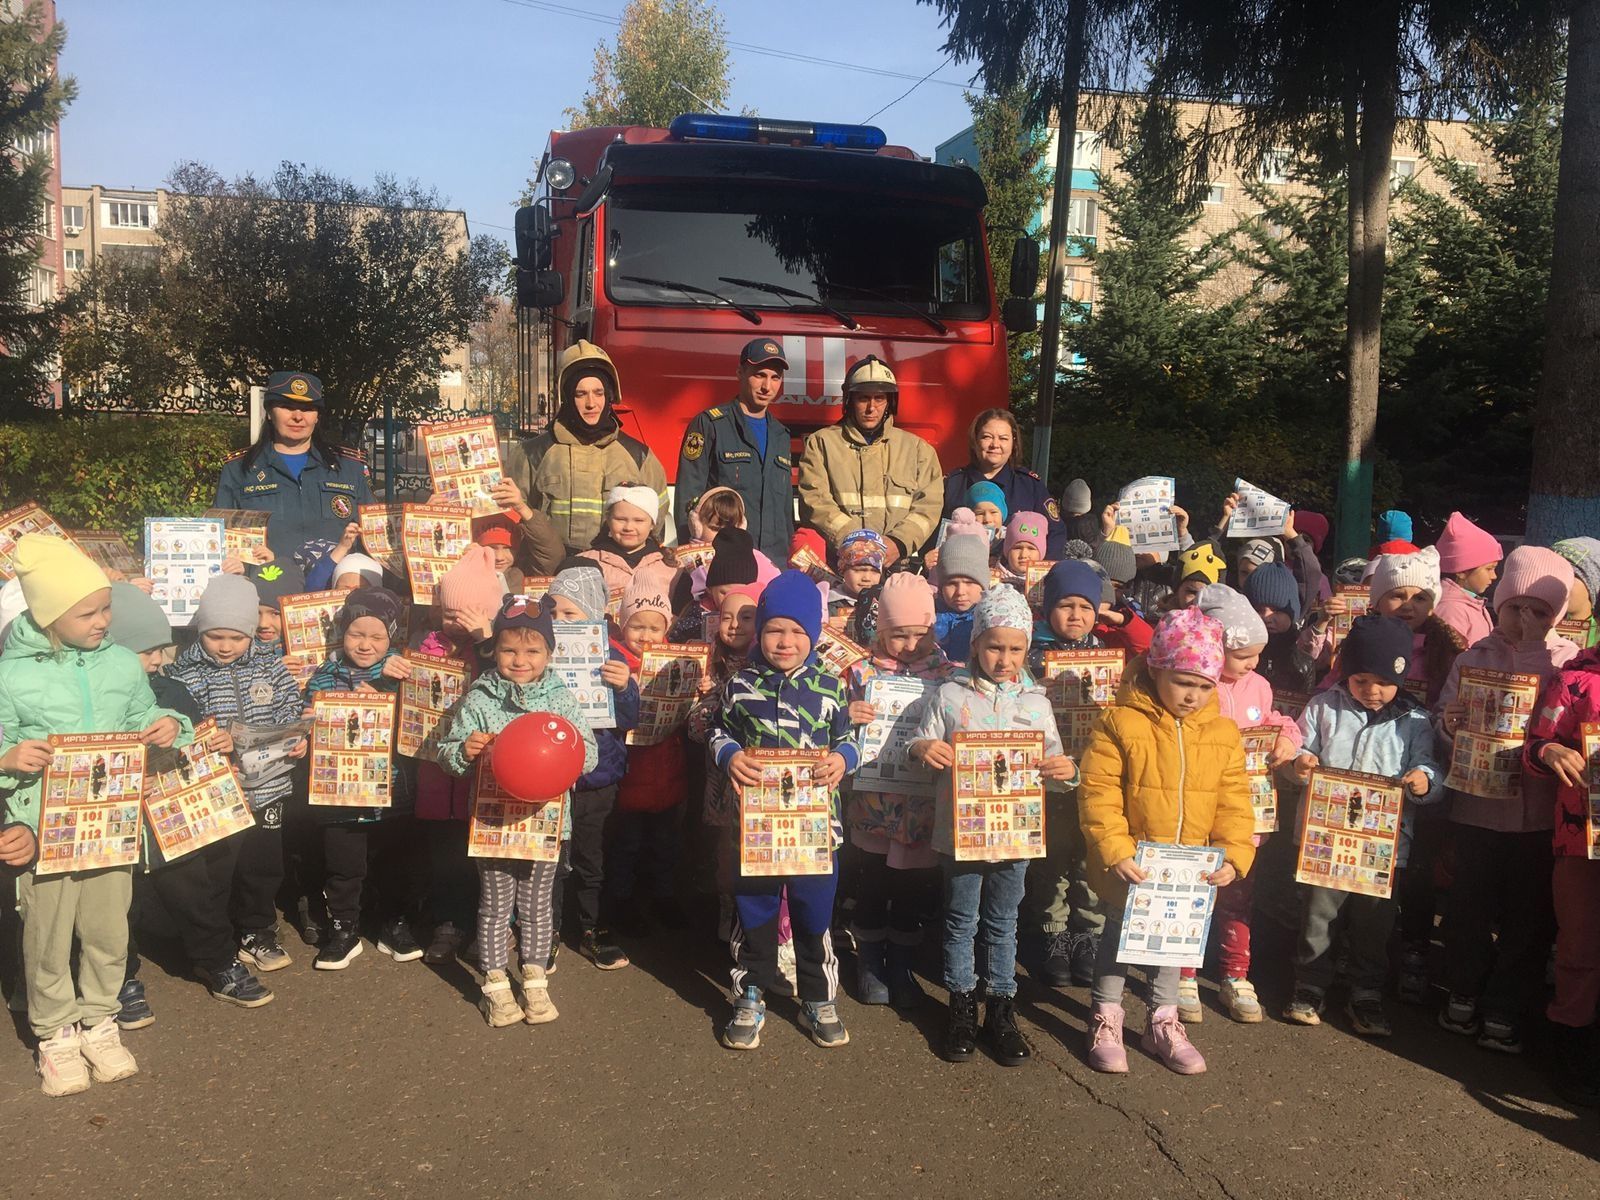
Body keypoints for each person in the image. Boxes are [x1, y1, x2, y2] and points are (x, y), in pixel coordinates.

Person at [0, 535, 191, 1097]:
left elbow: (146, 711)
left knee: (109, 928)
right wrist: (7, 758)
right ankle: (56, 1035)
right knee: (48, 934)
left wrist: (169, 723)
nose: (103, 620)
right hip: (44, 826)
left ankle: (100, 1022)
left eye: (106, 606)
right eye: (87, 612)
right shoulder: (10, 675)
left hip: (110, 821)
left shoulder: (120, 665)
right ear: (48, 614)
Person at [1078, 607, 1254, 1076]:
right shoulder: (1119, 723)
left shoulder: (1223, 733)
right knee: (1119, 938)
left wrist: (1235, 855)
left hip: (1190, 868)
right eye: (1182, 682)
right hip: (1134, 862)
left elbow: (1235, 800)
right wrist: (1115, 848)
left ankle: (1163, 1020)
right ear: (1156, 669)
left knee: (1173, 945)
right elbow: (1099, 792)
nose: (1192, 696)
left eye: (1203, 685)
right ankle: (1106, 1017)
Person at [911, 585, 1077, 1066]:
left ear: (1028, 648)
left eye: (1015, 648)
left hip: (1015, 834)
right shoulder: (948, 695)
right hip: (961, 834)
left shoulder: (1037, 703)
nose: (1004, 658)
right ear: (976, 644)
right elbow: (920, 744)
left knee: (1003, 923)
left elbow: (1054, 763)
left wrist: (1067, 771)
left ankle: (1001, 1009)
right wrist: (924, 750)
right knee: (962, 921)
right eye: (994, 646)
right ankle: (961, 1005)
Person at [1434, 547, 1579, 1053]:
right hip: (1476, 806)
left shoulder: (1567, 661)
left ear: (1556, 615)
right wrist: (1449, 725)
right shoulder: (1475, 656)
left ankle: (1504, 1005)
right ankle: (1463, 990)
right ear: (1499, 605)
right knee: (1469, 908)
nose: (1524, 619)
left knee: (1528, 917)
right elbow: (1443, 716)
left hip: (1540, 814)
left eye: (1539, 610)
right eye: (1515, 606)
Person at [111, 583, 278, 1019]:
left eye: (160, 649)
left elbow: (198, 733)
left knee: (194, 889)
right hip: (117, 820)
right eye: (144, 651)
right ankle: (120, 977)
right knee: (115, 904)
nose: (156, 660)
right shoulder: (96, 699)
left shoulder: (169, 689)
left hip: (173, 817)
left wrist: (216, 741)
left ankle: (218, 961)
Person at [710, 571, 858, 1051]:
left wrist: (842, 760)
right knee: (754, 914)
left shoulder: (833, 687)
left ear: (814, 636)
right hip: (755, 830)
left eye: (798, 631)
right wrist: (730, 754)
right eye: (775, 629)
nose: (785, 640)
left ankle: (818, 998)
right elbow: (717, 732)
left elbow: (850, 740)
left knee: (815, 918)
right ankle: (750, 993)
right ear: (760, 631)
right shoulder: (740, 685)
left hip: (817, 830)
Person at [438, 595, 598, 1027]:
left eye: (532, 650)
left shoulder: (561, 698)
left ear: (549, 652)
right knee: (494, 905)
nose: (520, 659)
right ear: (494, 649)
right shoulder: (480, 697)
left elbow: (591, 754)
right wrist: (465, 750)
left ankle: (535, 983)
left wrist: (566, 754)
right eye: (509, 649)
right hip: (493, 825)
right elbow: (448, 753)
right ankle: (494, 985)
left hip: (544, 827)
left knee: (536, 906)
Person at [1282, 615, 1442, 1037]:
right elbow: (1298, 746)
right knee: (1318, 916)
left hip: (1383, 847)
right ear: (1346, 674)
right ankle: (1310, 984)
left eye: (1383, 682)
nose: (1371, 691)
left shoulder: (1414, 720)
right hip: (1326, 839)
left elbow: (1429, 766)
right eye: (1360, 680)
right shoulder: (1324, 706)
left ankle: (1366, 992)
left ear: (1401, 676)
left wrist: (1423, 780)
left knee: (1375, 923)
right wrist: (1300, 763)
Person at [1175, 585, 1301, 1025]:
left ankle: (1235, 973)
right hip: (1197, 812)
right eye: (1243, 653)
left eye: (1257, 654)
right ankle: (1183, 974)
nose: (1253, 663)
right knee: (1193, 895)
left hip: (1244, 816)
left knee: (1237, 896)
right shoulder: (1196, 688)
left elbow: (1276, 721)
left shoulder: (1260, 686)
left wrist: (1287, 739)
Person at [168, 575, 305, 974]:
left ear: (250, 634)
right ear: (200, 631)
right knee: (219, 868)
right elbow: (182, 728)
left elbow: (290, 712)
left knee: (263, 865)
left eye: (236, 638)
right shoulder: (185, 674)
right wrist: (212, 739)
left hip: (270, 785)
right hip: (218, 791)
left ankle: (258, 929)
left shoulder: (270, 667)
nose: (225, 647)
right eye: (214, 637)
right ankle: (218, 933)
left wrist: (299, 738)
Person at [844, 573, 954, 1011]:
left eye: (920, 634)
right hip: (873, 801)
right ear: (879, 630)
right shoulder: (858, 672)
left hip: (923, 805)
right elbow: (831, 722)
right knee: (873, 883)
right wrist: (848, 713)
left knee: (912, 887)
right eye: (898, 635)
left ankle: (902, 963)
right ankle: (870, 960)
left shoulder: (949, 675)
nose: (910, 646)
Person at [302, 588, 424, 971]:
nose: (366, 644)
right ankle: (343, 930)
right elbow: (314, 707)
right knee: (344, 866)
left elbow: (424, 715)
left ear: (391, 637)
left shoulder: (402, 669)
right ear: (342, 633)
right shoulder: (326, 674)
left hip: (392, 789)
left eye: (376, 637)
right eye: (357, 634)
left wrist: (387, 686)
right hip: (339, 794)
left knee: (394, 862)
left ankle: (394, 924)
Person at [542, 565, 640, 970]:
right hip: (547, 774)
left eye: (571, 614)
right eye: (553, 612)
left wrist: (625, 687)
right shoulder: (537, 651)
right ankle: (544, 932)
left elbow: (631, 720)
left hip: (596, 775)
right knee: (548, 857)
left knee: (591, 856)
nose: (559, 622)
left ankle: (591, 927)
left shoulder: (614, 658)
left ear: (597, 617)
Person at [1022, 560, 1109, 990]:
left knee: (1089, 863)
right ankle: (1053, 936)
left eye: (1085, 607)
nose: (1075, 615)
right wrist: (1040, 689)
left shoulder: (1107, 656)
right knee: (1053, 863)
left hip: (1095, 777)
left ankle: (1088, 936)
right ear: (1046, 608)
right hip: (1048, 778)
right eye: (1065, 605)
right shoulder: (1031, 653)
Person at [500, 340, 671, 554]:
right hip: (550, 571)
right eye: (581, 394)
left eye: (598, 393)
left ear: (609, 396)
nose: (591, 403)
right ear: (567, 397)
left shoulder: (639, 456)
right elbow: (511, 518)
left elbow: (657, 518)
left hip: (615, 573)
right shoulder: (531, 454)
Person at [1523, 640, 1600, 1106]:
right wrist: (1551, 751)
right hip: (1582, 840)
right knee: (1581, 942)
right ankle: (1570, 1041)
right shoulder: (1573, 680)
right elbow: (1533, 747)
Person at [214, 371, 374, 562]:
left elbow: (372, 534)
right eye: (286, 407)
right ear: (270, 413)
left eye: (307, 409)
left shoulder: (348, 468)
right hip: (266, 584)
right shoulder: (239, 469)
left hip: (335, 587)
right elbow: (222, 539)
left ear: (317, 417)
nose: (298, 417)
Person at [796, 356, 943, 562]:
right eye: (863, 398)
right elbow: (815, 502)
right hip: (841, 563)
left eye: (879, 398)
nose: (871, 408)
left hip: (897, 565)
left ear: (890, 402)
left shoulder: (918, 450)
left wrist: (898, 543)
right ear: (849, 400)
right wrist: (857, 542)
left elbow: (929, 507)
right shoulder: (821, 444)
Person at [674, 338, 795, 562]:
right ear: (740, 372)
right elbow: (687, 499)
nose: (767, 386)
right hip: (724, 560)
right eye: (759, 375)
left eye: (775, 377)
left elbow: (785, 512)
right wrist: (694, 560)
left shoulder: (781, 435)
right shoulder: (710, 424)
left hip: (773, 562)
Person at [939, 408, 1065, 556]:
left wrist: (1037, 570)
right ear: (975, 441)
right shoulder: (953, 484)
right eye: (987, 437)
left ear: (1013, 444)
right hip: (962, 574)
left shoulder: (1030, 486)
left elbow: (1056, 534)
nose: (995, 444)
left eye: (1003, 438)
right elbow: (933, 533)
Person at [1432, 511, 1502, 647]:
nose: (1494, 576)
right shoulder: (1451, 610)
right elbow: (1445, 661)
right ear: (1462, 571)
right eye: (1489, 568)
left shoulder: (1471, 604)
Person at [1553, 537, 1600, 650]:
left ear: (1594, 582)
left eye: (1572, 575)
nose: (1560, 581)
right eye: (1552, 574)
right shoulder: (1536, 624)